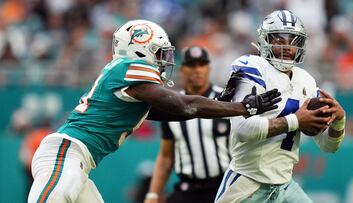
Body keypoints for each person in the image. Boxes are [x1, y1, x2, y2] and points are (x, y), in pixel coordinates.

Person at [27, 19, 281, 203]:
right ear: (140, 48)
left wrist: (225, 106)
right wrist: (241, 107)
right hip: (65, 154)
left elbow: (181, 113)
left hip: (78, 162)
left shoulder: (130, 86)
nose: (165, 61)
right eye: (160, 53)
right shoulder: (128, 67)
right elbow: (185, 105)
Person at [214, 10, 346, 203]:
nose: (287, 48)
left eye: (294, 42)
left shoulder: (306, 81)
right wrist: (295, 121)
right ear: (264, 40)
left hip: (285, 185)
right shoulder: (253, 66)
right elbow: (243, 129)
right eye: (280, 40)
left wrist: (339, 122)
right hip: (248, 184)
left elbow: (328, 146)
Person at [145, 46, 232, 203]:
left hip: (224, 187)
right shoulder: (171, 105)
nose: (197, 70)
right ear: (182, 69)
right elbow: (166, 158)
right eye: (192, 65)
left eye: (202, 64)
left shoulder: (226, 101)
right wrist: (153, 194)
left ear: (209, 67)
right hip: (188, 189)